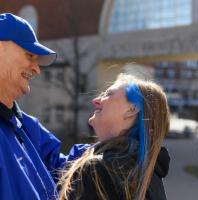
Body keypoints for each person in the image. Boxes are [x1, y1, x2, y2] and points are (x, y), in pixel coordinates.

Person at [58, 73, 171, 200]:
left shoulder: (97, 170)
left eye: (108, 94)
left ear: (131, 109)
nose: (95, 100)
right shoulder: (148, 175)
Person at [0, 12, 69, 200]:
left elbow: (66, 167)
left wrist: (121, 148)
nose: (37, 69)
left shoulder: (24, 126)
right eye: (30, 55)